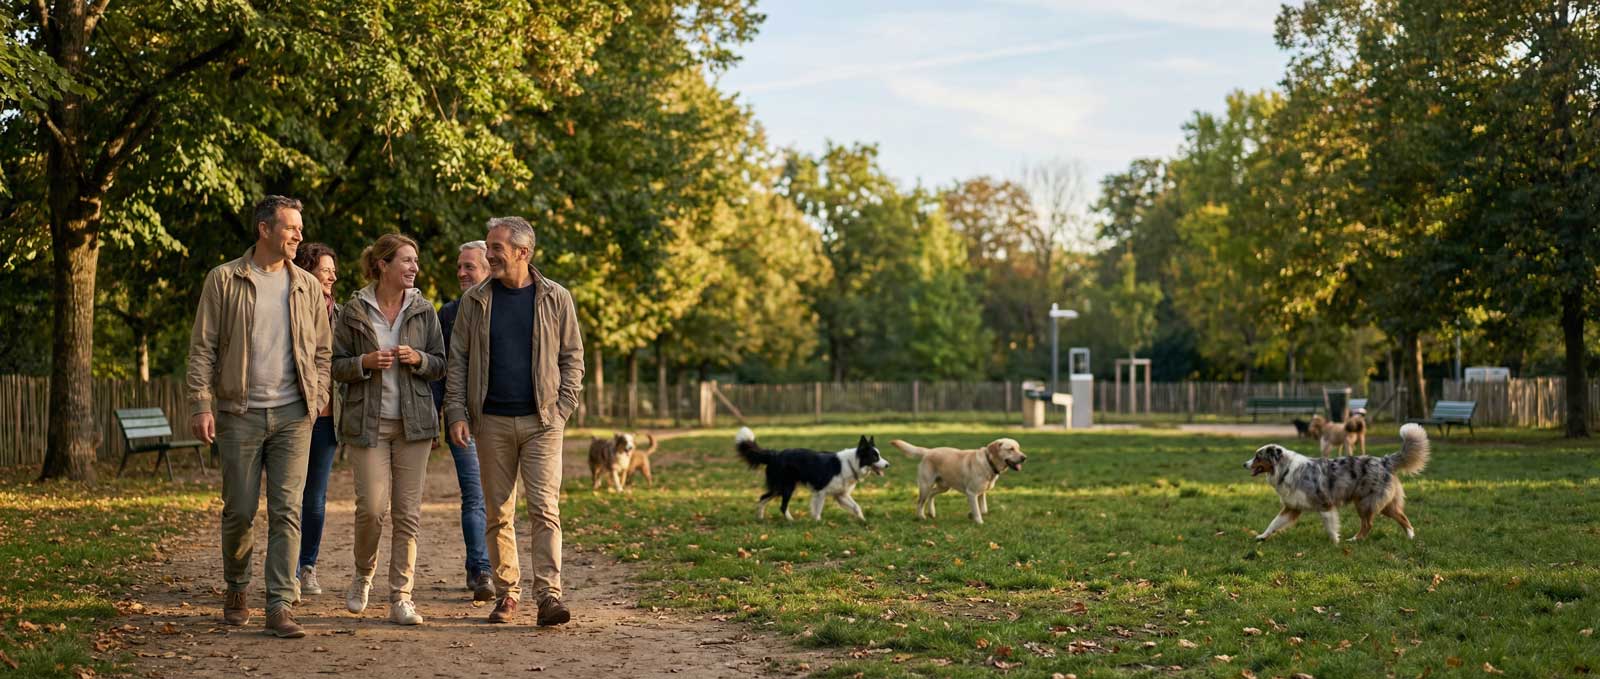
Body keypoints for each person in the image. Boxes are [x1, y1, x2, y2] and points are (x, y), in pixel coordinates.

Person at [186, 195, 331, 639]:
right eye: (290, 227)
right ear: (264, 229)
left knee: (288, 510)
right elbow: (203, 347)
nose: (299, 235)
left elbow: (323, 350)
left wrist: (319, 393)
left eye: (300, 228)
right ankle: (236, 587)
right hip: (240, 412)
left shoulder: (306, 285)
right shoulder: (225, 279)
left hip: (293, 415)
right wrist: (201, 403)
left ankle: (279, 604)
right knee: (240, 511)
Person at [444, 217, 584, 626]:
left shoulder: (556, 297)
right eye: (489, 247)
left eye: (497, 248)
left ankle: (549, 596)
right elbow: (459, 361)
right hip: (491, 423)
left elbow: (572, 358)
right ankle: (507, 595)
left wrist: (562, 409)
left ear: (523, 252)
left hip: (543, 422)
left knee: (545, 509)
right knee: (499, 512)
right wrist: (456, 411)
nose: (489, 255)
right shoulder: (476, 301)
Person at [332, 233, 446, 625]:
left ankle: (401, 596)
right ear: (382, 265)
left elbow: (441, 364)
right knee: (372, 510)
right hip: (368, 424)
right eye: (407, 260)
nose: (414, 267)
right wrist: (363, 361)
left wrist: (419, 359)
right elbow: (335, 364)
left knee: (408, 514)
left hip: (414, 425)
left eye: (416, 261)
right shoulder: (354, 309)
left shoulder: (424, 309)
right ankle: (363, 574)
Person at [429, 240, 495, 602]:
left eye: (469, 266)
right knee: (475, 494)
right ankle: (481, 569)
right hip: (462, 418)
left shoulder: (507, 306)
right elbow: (441, 371)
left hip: (502, 418)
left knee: (499, 498)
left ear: (488, 267)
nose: (461, 273)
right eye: (459, 266)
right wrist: (438, 417)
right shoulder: (450, 314)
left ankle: (495, 566)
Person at [292, 242, 339, 599]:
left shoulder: (339, 314)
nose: (332, 276)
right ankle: (285, 567)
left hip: (326, 418)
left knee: (315, 496)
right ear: (308, 270)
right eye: (325, 270)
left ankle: (306, 566)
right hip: (292, 413)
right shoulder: (290, 307)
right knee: (287, 494)